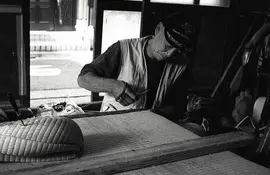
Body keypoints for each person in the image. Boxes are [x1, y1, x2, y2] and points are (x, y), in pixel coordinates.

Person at [77, 12, 201, 122]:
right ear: (158, 29)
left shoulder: (181, 64)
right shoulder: (124, 49)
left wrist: (191, 104)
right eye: (168, 46)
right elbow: (83, 79)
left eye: (179, 50)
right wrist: (113, 86)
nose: (171, 54)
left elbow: (177, 102)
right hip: (114, 124)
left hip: (153, 128)